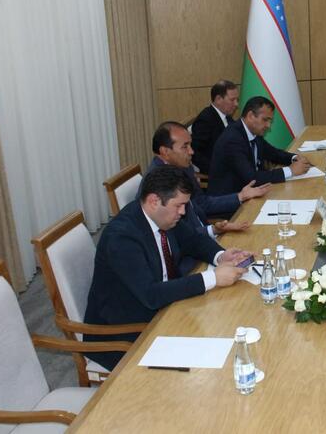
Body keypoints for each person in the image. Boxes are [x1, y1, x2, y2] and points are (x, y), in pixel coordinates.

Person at [84, 166, 251, 370]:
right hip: (125, 332)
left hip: (169, 308)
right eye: (179, 205)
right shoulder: (121, 238)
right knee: (212, 359)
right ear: (154, 201)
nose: (183, 212)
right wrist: (213, 278)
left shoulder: (162, 216)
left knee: (229, 324)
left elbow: (193, 240)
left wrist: (221, 256)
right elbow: (151, 295)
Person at [146, 121, 271, 239]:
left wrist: (240, 196)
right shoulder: (157, 185)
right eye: (185, 147)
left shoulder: (183, 166)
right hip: (194, 243)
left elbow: (201, 202)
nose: (191, 151)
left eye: (190, 145)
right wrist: (212, 230)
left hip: (204, 233)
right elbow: (178, 237)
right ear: (165, 151)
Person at [208, 96, 312, 196]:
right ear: (250, 116)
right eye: (265, 120)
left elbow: (273, 153)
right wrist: (290, 170)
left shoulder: (253, 132)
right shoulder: (233, 139)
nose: (268, 126)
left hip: (250, 193)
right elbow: (251, 178)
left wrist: (294, 158)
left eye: (270, 121)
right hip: (229, 200)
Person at [192, 80, 240, 174]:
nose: (236, 104)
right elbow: (195, 153)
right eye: (232, 100)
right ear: (218, 99)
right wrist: (216, 171)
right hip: (218, 175)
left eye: (237, 100)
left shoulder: (228, 118)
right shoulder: (205, 119)